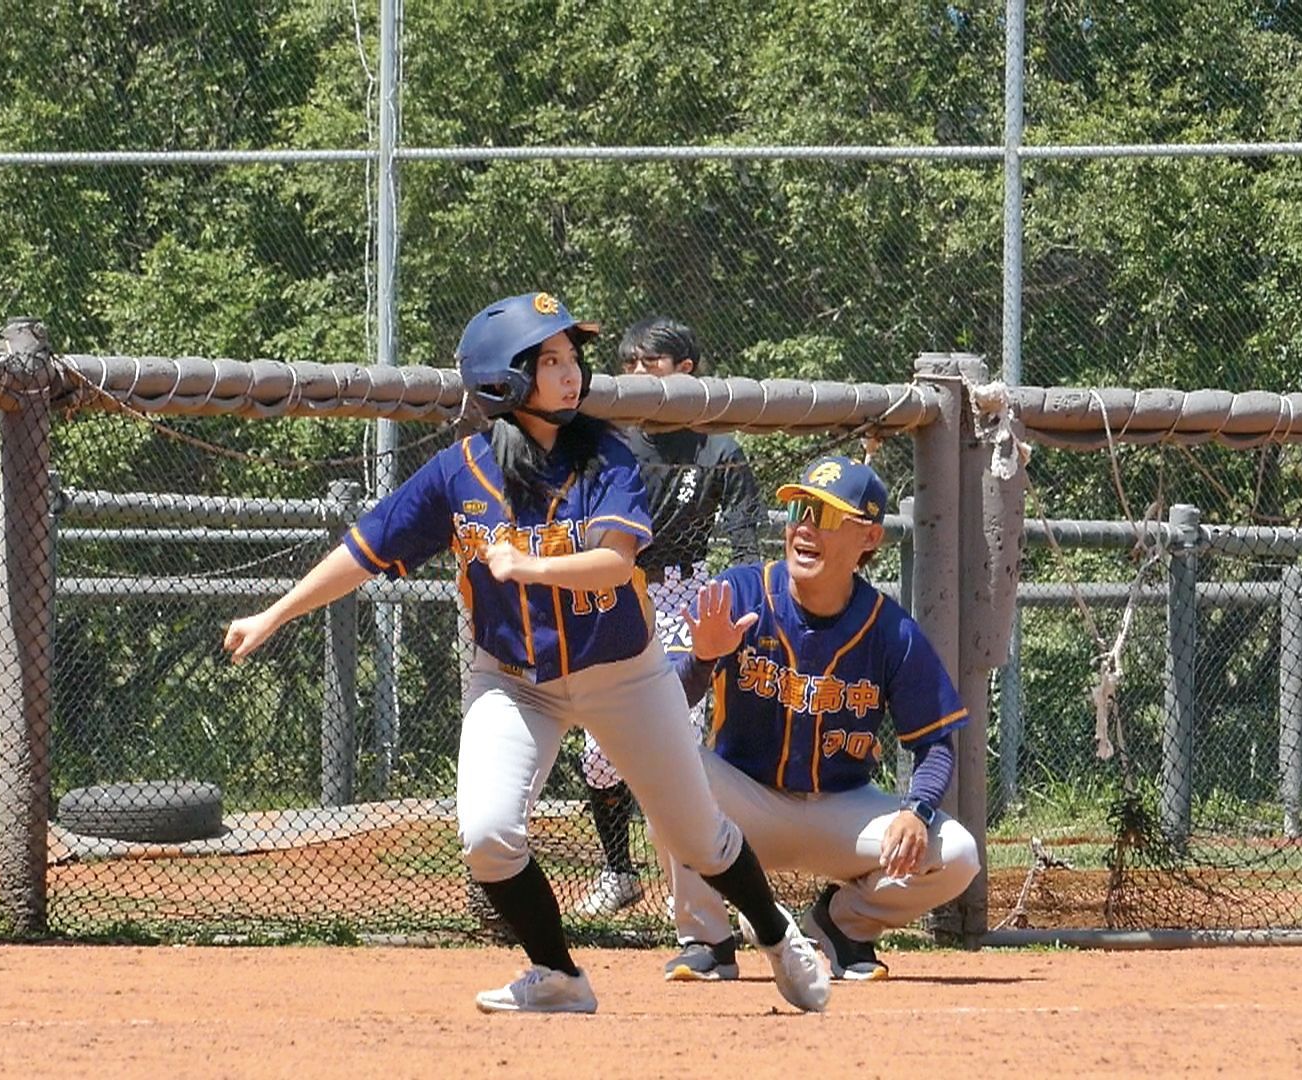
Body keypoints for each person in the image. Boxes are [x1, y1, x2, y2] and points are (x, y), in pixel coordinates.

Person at [223, 292, 829, 1015]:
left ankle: (774, 931)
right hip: (513, 681)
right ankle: (559, 975)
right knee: (487, 836)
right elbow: (366, 548)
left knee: (697, 837)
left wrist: (528, 566)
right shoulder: (461, 473)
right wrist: (273, 613)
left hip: (622, 673)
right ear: (503, 378)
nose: (571, 373)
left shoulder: (607, 452)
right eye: (549, 360)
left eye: (572, 358)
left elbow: (613, 561)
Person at [657, 454, 982, 982]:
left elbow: (936, 742)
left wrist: (916, 812)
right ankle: (708, 938)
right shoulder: (741, 592)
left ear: (869, 540)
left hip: (840, 814)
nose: (805, 527)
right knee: (662, 760)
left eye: (826, 516)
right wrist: (701, 660)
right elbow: (661, 707)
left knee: (959, 854)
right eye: (799, 511)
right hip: (743, 804)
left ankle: (842, 924)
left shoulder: (890, 630)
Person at [571, 317, 769, 917]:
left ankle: (695, 878)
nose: (635, 375)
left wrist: (744, 606)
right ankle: (619, 872)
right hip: (617, 592)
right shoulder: (611, 441)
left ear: (686, 371)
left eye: (649, 364)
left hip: (686, 594)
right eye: (627, 364)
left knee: (678, 740)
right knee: (599, 751)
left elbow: (745, 544)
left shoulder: (718, 448)